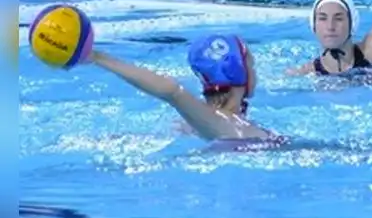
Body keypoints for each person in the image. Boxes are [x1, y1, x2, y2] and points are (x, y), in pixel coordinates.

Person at [88, 34, 275, 141]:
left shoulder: (191, 125)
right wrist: (97, 57)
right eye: (251, 65)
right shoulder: (231, 126)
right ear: (238, 71)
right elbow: (173, 92)